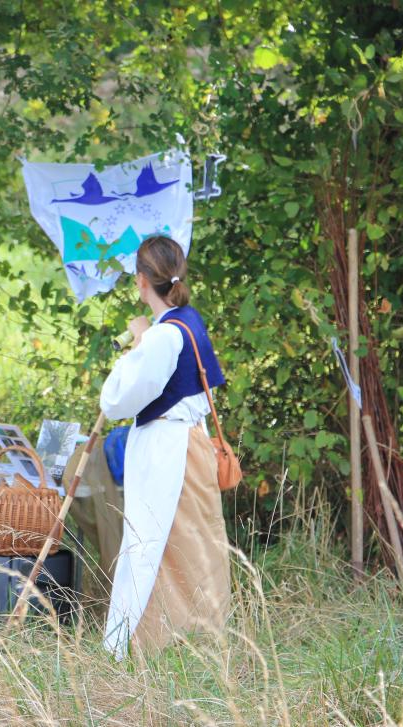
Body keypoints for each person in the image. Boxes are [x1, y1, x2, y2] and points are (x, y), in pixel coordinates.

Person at [100, 235, 233, 659]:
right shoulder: (187, 319)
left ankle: (147, 645)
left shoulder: (161, 338)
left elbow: (117, 400)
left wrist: (139, 343)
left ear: (141, 281)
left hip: (168, 447)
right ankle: (193, 642)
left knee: (153, 545)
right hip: (188, 443)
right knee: (190, 541)